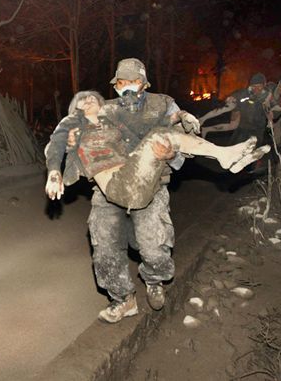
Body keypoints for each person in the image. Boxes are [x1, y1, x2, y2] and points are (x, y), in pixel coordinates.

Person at [46, 59, 191, 323]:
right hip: (109, 187)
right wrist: (62, 157)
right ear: (115, 85)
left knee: (152, 245)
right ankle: (123, 299)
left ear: (144, 83)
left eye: (133, 82)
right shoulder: (104, 110)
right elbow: (66, 136)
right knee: (104, 245)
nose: (127, 88)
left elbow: (182, 139)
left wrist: (170, 153)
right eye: (121, 83)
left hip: (150, 185)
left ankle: (154, 279)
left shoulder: (164, 105)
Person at [45, 91, 269, 209]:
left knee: (160, 133)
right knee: (158, 135)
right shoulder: (72, 124)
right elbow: (54, 144)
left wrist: (179, 116)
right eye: (83, 100)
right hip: (118, 187)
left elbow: (146, 127)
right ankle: (223, 155)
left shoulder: (114, 122)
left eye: (92, 98)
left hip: (140, 182)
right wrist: (54, 171)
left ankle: (226, 155)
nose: (89, 100)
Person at [200, 73, 273, 147]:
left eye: (259, 86)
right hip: (242, 127)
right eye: (254, 86)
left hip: (257, 129)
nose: (256, 89)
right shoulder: (245, 93)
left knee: (252, 153)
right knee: (230, 108)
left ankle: (206, 128)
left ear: (264, 85)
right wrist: (231, 97)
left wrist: (270, 122)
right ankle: (203, 120)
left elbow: (270, 110)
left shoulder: (267, 96)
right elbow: (235, 96)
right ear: (250, 86)